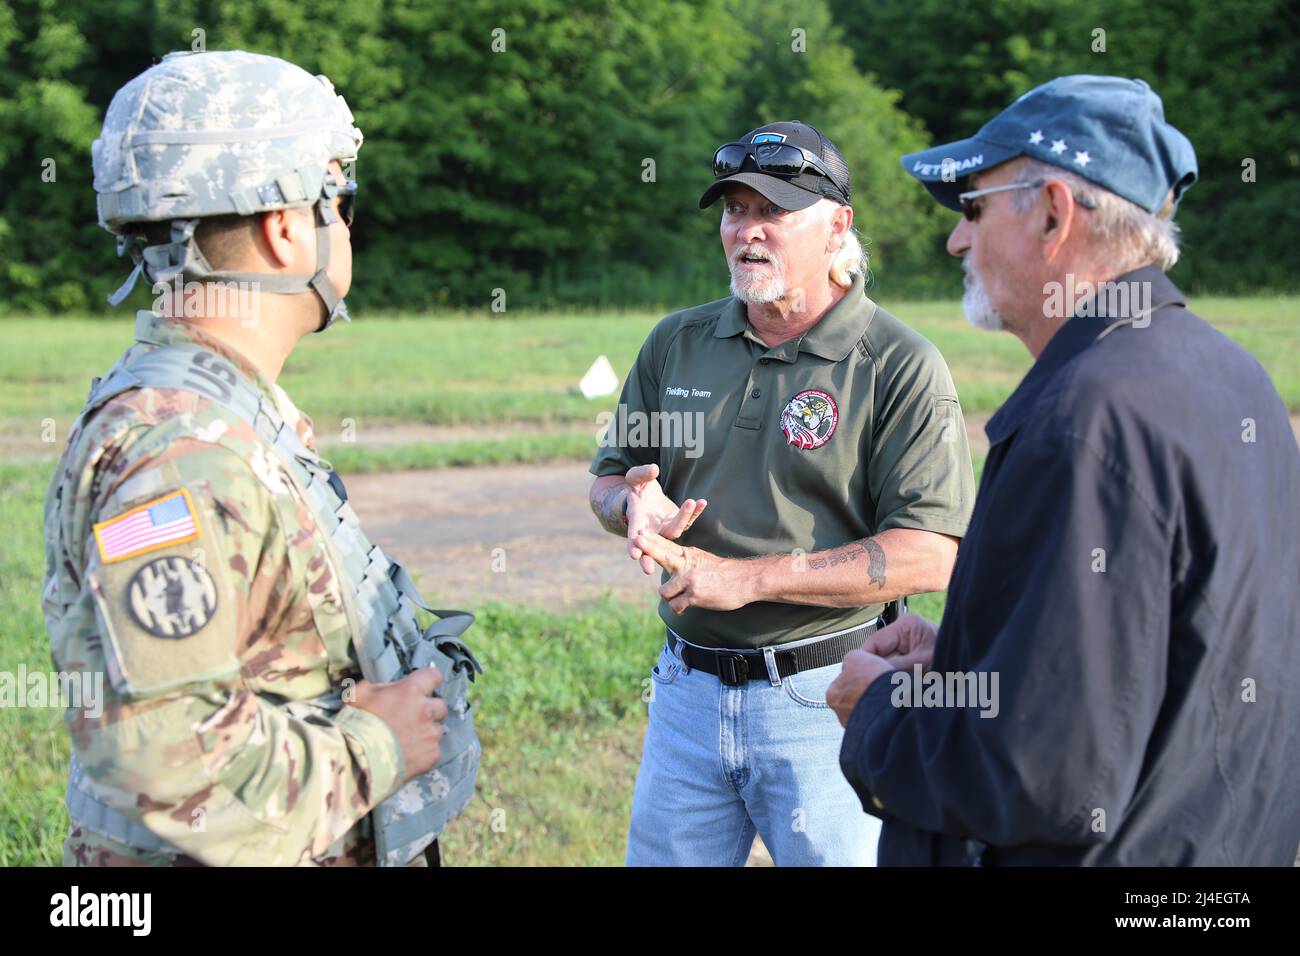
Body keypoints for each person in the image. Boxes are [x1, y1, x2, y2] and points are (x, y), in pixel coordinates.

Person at [830, 75, 1300, 865]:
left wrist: (876, 712)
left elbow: (1037, 775)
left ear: (1052, 213)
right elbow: (1167, 660)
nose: (956, 241)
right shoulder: (1232, 377)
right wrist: (978, 654)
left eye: (972, 208)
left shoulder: (1086, 421)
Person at [42, 49, 481, 867]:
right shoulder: (183, 453)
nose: (345, 226)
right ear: (285, 227)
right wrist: (376, 747)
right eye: (339, 201)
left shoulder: (220, 411)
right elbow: (167, 758)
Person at [588, 121, 976, 866]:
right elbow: (609, 479)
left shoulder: (898, 364)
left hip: (827, 693)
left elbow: (930, 554)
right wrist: (630, 505)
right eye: (735, 210)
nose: (748, 231)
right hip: (685, 691)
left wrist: (749, 579)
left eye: (774, 211)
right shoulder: (677, 343)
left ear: (837, 227)